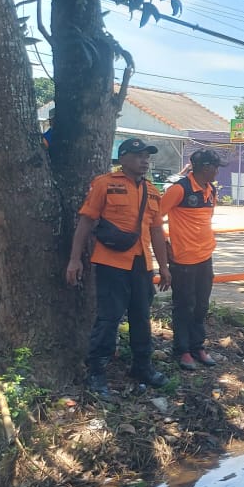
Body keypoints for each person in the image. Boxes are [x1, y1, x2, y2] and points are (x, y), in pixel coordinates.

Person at [66, 138, 172, 396]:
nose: (144, 160)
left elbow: (157, 231)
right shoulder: (105, 184)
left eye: (147, 156)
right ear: (122, 158)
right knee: (108, 318)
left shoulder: (152, 190)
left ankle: (142, 367)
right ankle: (97, 373)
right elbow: (86, 222)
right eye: (138, 155)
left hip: (141, 265)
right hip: (111, 263)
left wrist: (164, 267)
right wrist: (74, 259)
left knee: (141, 317)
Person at [161, 149, 225, 371]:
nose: (217, 171)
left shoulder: (210, 191)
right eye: (215, 167)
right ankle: (182, 350)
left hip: (204, 257)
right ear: (204, 167)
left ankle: (197, 346)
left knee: (201, 305)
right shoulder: (179, 189)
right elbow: (154, 218)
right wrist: (165, 245)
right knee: (184, 306)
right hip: (183, 259)